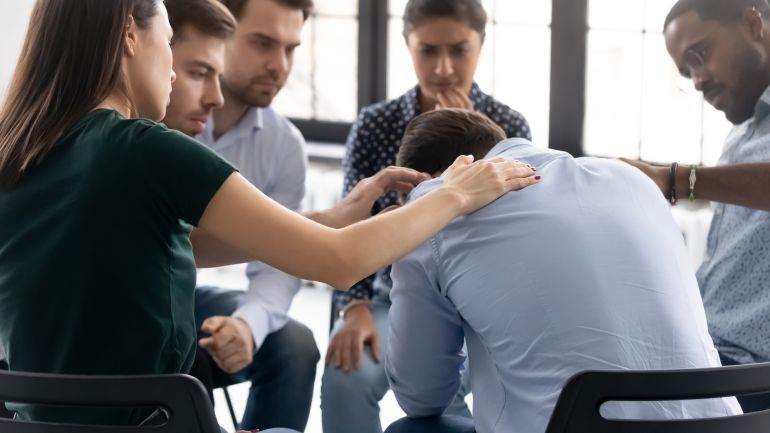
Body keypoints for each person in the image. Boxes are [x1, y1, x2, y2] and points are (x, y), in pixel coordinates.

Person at [0, 0, 539, 427]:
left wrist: (338, 215)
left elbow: (187, 246)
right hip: (151, 423)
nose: (169, 70)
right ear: (129, 34)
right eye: (168, 42)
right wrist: (455, 193)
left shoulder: (20, 148)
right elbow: (340, 264)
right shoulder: (146, 147)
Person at [383, 109, 741, 433]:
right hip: (726, 424)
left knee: (410, 430)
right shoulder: (633, 179)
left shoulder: (434, 212)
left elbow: (421, 394)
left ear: (424, 182)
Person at [322, 1, 531, 431]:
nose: (443, 68)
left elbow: (519, 230)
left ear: (481, 45)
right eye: (427, 51)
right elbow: (353, 220)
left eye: (458, 50)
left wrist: (477, 134)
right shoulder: (376, 124)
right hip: (389, 291)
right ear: (407, 46)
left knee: (446, 386)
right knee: (344, 376)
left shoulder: (508, 124)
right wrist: (354, 306)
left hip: (482, 297)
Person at [161, 0, 317, 429]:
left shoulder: (285, 147)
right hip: (143, 297)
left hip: (192, 298)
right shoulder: (155, 114)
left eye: (290, 49)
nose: (279, 65)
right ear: (221, 34)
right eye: (263, 44)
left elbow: (280, 262)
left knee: (295, 345)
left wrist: (247, 325)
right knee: (175, 343)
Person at [621, 0, 770, 413]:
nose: (698, 81)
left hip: (754, 377)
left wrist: (674, 179)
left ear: (752, 23)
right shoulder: (744, 133)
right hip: (715, 360)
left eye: (699, 55)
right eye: (686, 73)